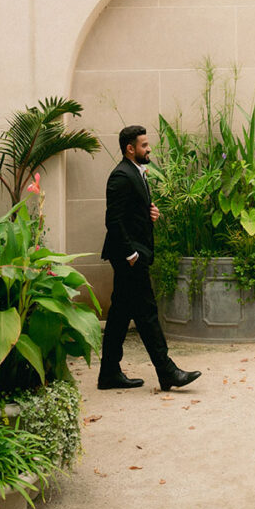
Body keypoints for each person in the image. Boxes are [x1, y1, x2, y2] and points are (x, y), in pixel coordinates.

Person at [98, 125, 201, 391]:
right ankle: (167, 371)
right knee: (147, 313)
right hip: (129, 257)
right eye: (144, 145)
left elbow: (131, 212)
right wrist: (131, 254)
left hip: (132, 254)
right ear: (130, 149)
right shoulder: (121, 175)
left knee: (120, 315)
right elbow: (114, 220)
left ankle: (109, 372)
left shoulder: (135, 172)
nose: (149, 149)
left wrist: (149, 212)